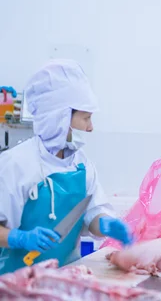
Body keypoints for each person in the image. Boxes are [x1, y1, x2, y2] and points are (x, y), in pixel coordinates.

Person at [0, 60, 132, 274]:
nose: (90, 128)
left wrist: (107, 224)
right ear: (59, 117)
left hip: (66, 277)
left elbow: (92, 216)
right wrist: (19, 238)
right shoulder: (15, 165)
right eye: (86, 118)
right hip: (15, 281)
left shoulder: (81, 164)